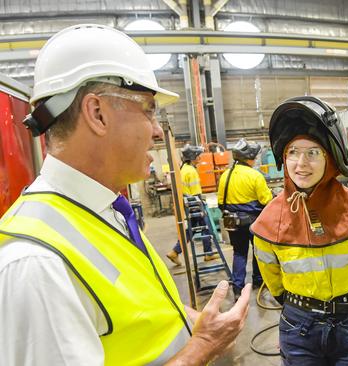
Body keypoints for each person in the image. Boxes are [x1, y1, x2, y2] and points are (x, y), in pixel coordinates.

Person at [0, 24, 251, 365]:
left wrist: (191, 322)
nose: (158, 130)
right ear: (97, 113)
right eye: (148, 109)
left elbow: (136, 318)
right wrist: (202, 346)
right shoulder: (36, 265)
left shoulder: (106, 211)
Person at [251, 96, 348, 365]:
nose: (301, 164)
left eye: (312, 152)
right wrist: (300, 307)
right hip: (299, 326)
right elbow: (272, 279)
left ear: (331, 158)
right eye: (293, 153)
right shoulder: (268, 223)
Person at [217, 138, 272, 299]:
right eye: (254, 157)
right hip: (253, 220)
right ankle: (258, 281)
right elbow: (266, 200)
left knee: (239, 253)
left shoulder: (225, 175)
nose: (255, 160)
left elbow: (221, 202)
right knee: (257, 251)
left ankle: (237, 288)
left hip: (232, 220)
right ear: (248, 158)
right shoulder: (254, 175)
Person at [166, 143, 218, 266]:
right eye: (198, 156)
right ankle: (208, 253)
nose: (200, 158)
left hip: (188, 204)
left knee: (190, 231)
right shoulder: (191, 171)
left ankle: (175, 251)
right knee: (206, 228)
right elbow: (195, 193)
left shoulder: (184, 169)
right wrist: (201, 205)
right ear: (193, 157)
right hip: (194, 204)